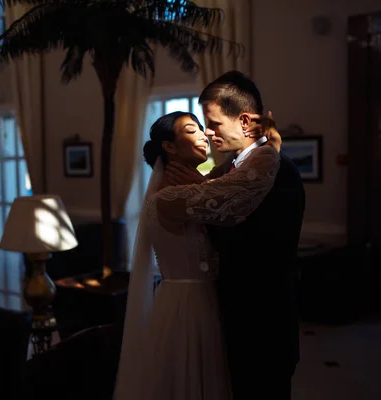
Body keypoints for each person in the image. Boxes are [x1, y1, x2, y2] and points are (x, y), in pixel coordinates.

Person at [113, 110, 282, 400]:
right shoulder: (168, 199)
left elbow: (222, 182)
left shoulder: (184, 191)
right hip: (187, 307)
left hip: (199, 300)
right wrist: (272, 147)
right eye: (193, 129)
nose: (204, 134)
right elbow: (232, 198)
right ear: (169, 146)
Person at [165, 71, 306, 399]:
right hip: (228, 321)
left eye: (213, 123)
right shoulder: (227, 171)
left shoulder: (278, 172)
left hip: (263, 327)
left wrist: (195, 199)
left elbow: (258, 249)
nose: (207, 132)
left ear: (245, 121)